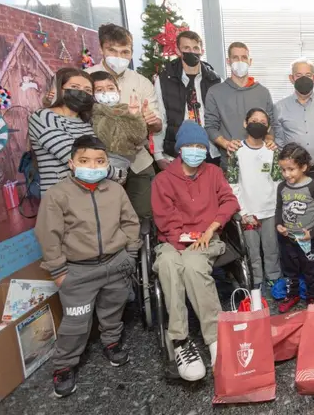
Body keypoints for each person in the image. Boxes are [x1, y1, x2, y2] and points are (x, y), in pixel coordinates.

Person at [34, 135, 140, 398]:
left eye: (99, 161)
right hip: (78, 271)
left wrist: (131, 253)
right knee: (76, 323)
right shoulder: (58, 195)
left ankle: (112, 344)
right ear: (71, 163)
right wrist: (58, 271)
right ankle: (64, 366)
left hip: (116, 264)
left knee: (113, 311)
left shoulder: (115, 190)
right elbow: (49, 235)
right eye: (84, 161)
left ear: (107, 164)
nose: (92, 166)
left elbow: (130, 222)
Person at [151, 121, 240, 381]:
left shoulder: (213, 172)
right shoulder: (163, 179)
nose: (195, 151)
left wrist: (212, 228)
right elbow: (165, 218)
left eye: (200, 146)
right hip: (172, 239)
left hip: (207, 238)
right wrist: (180, 244)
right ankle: (180, 342)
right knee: (168, 264)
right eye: (190, 146)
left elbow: (229, 201)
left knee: (192, 264)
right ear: (179, 149)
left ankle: (214, 339)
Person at [86, 23, 161, 219]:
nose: (119, 57)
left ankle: (142, 248)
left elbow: (157, 124)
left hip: (137, 160)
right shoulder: (85, 79)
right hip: (99, 163)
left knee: (144, 214)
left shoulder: (141, 82)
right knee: (105, 217)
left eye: (125, 52)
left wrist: (151, 120)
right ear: (102, 49)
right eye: (112, 50)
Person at [29, 68, 123, 193]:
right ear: (59, 90)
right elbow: (78, 159)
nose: (81, 93)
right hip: (63, 198)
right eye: (75, 87)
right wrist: (118, 173)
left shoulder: (86, 121)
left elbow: (102, 156)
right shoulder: (44, 117)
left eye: (88, 90)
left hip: (94, 194)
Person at [225, 108, 282, 290]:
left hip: (270, 210)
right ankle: (256, 280)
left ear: (268, 127)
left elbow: (277, 180)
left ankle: (274, 277)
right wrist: (241, 211)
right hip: (247, 211)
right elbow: (233, 182)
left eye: (263, 122)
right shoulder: (237, 150)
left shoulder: (273, 151)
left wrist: (277, 208)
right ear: (245, 123)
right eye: (254, 120)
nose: (258, 124)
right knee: (252, 250)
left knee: (271, 248)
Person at [154, 30, 222, 167]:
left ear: (201, 51)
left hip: (210, 149)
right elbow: (160, 115)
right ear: (178, 51)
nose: (192, 52)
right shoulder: (165, 80)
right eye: (186, 48)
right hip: (179, 149)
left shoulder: (214, 79)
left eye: (195, 48)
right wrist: (158, 153)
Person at [275, 143, 314, 312]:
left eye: (291, 169)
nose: (286, 174)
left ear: (303, 167)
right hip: (288, 238)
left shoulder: (313, 186)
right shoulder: (282, 187)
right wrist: (279, 224)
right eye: (283, 170)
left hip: (309, 240)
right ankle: (293, 295)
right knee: (290, 270)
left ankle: (312, 296)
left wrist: (313, 233)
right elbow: (279, 208)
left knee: (311, 270)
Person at [205, 42, 274, 169]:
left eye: (244, 57)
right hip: (231, 162)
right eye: (235, 57)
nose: (240, 61)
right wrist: (226, 144)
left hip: (261, 161)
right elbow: (210, 126)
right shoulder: (215, 92)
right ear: (228, 61)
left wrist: (269, 140)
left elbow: (271, 124)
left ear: (250, 61)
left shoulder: (263, 92)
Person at [274, 58, 314, 178]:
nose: (304, 79)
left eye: (308, 75)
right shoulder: (279, 107)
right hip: (295, 171)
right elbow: (279, 140)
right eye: (299, 75)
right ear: (291, 78)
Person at [91, 70, 148, 185]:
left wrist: (135, 117)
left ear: (119, 91)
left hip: (120, 166)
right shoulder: (89, 114)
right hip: (95, 167)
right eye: (99, 90)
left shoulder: (125, 110)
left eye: (111, 88)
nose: (106, 92)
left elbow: (139, 137)